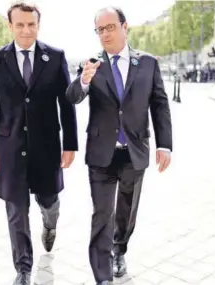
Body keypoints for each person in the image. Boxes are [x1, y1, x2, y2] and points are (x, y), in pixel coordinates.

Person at [65, 7, 172, 285]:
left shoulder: (147, 63)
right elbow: (73, 96)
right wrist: (84, 80)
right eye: (100, 30)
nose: (105, 34)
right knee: (103, 214)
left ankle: (119, 249)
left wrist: (165, 145)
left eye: (110, 27)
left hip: (135, 152)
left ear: (125, 27)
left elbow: (159, 104)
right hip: (101, 153)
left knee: (126, 209)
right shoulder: (91, 64)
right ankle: (103, 277)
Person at [0, 3, 78, 285]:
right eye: (20, 25)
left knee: (48, 201)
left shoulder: (55, 58)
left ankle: (50, 223)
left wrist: (69, 144)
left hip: (46, 148)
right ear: (10, 26)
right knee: (16, 210)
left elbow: (67, 105)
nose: (26, 30)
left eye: (31, 24)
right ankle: (23, 268)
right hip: (10, 148)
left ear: (38, 25)